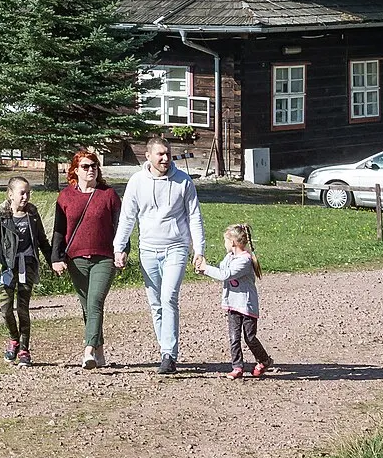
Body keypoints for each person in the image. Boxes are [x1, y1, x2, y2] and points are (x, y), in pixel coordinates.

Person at [113, 133, 206, 375]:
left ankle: (169, 355)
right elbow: (127, 217)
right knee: (156, 303)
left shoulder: (183, 181)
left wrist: (199, 249)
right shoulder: (136, 182)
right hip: (148, 249)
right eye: (161, 154)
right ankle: (165, 348)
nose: (165, 159)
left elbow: (194, 216)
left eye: (168, 154)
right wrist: (119, 247)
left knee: (169, 298)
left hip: (176, 247)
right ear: (149, 156)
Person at [51, 147, 123, 369]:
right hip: (76, 259)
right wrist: (56, 257)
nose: (91, 170)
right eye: (85, 166)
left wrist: (123, 250)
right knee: (88, 307)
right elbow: (59, 230)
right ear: (75, 170)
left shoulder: (108, 195)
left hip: (104, 257)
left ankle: (88, 351)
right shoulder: (65, 197)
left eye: (94, 166)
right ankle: (100, 352)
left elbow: (122, 226)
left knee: (95, 302)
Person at [0, 175, 51, 366]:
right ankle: (13, 339)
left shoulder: (32, 213)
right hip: (7, 267)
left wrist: (53, 260)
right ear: (10, 194)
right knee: (6, 308)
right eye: (22, 193)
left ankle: (24, 348)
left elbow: (42, 240)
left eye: (28, 193)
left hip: (27, 266)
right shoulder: (1, 215)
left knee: (23, 308)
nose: (25, 197)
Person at [198, 222, 275, 379]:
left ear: (232, 242)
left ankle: (264, 360)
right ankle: (237, 367)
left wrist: (207, 268)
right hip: (233, 305)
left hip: (246, 306)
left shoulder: (244, 261)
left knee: (250, 337)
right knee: (234, 337)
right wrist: (204, 270)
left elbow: (226, 274)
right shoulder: (230, 257)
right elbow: (222, 271)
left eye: (225, 240)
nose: (224, 244)